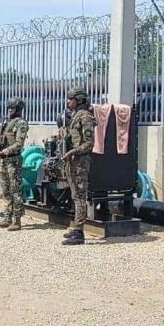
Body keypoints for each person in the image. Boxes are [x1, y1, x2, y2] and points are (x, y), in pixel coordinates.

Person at [61, 88, 96, 246]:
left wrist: (73, 151)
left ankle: (79, 232)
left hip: (80, 162)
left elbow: (89, 143)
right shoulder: (75, 116)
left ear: (79, 100)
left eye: (71, 99)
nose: (68, 102)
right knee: (75, 195)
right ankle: (76, 228)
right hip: (72, 161)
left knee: (80, 196)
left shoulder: (86, 117)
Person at [0, 97, 29, 231]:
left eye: (12, 108)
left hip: (13, 160)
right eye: (8, 108)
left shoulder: (21, 124)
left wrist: (5, 151)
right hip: (3, 160)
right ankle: (7, 217)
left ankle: (17, 220)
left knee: (15, 190)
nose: (9, 111)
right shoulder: (6, 123)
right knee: (6, 190)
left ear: (18, 109)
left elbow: (19, 144)